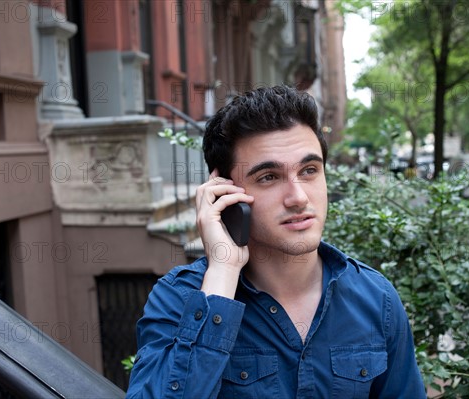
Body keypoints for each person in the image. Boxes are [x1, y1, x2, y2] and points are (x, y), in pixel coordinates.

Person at [126, 85, 426, 398]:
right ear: (225, 194)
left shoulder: (376, 300)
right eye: (269, 177)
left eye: (309, 170)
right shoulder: (180, 299)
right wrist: (223, 271)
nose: (298, 197)